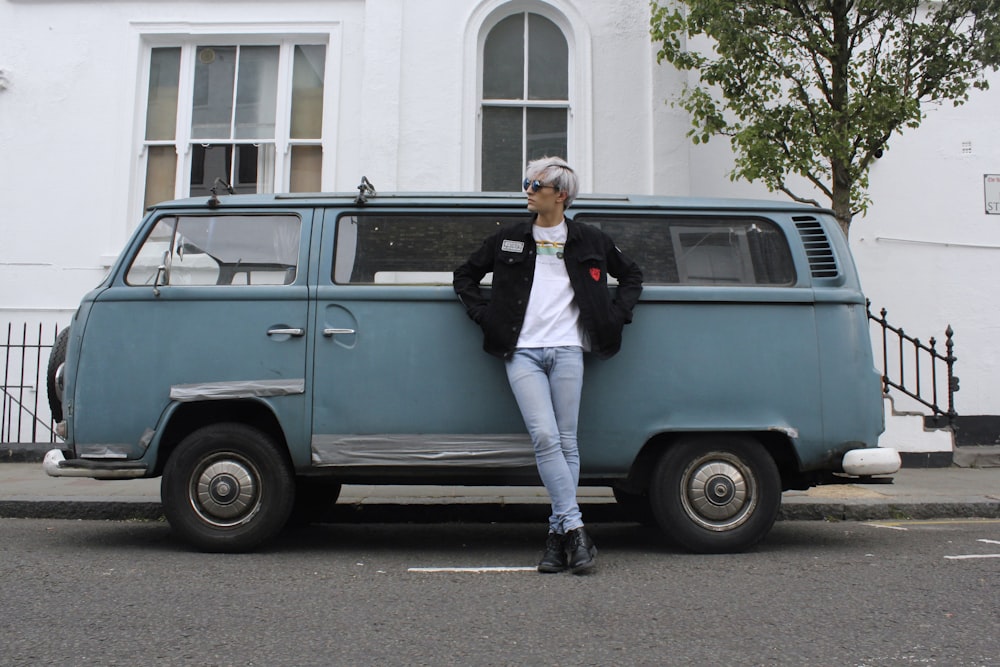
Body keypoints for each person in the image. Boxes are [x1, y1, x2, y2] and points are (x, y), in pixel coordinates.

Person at [453, 157, 643, 574]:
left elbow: (632, 276)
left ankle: (558, 540)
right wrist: (484, 317)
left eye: (533, 183)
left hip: (568, 350)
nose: (526, 189)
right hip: (521, 351)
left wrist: (617, 315)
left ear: (560, 194)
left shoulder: (591, 239)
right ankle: (575, 529)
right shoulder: (509, 238)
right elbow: (464, 276)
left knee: (567, 441)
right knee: (544, 435)